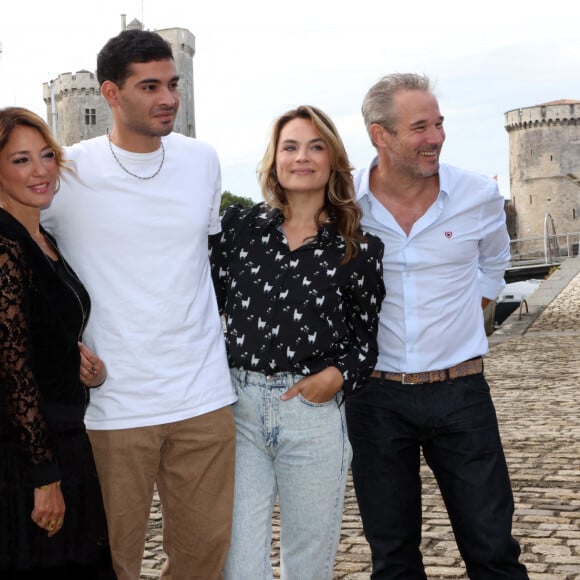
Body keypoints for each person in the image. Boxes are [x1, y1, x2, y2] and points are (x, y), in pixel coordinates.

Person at [41, 29, 237, 580]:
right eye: (149, 86)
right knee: (111, 563)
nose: (168, 98)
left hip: (204, 399)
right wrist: (60, 342)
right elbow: (23, 259)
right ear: (110, 94)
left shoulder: (202, 161)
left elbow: (205, 257)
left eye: (172, 84)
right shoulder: (66, 172)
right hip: (111, 409)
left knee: (202, 562)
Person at [345, 73, 529, 579]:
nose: (436, 137)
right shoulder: (340, 201)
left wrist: (473, 315)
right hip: (374, 400)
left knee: (492, 548)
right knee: (394, 557)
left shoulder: (477, 195)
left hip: (461, 392)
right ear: (380, 135)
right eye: (420, 127)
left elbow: (494, 264)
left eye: (439, 124)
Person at [210, 105, 385, 579]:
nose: (301, 157)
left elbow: (365, 343)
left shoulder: (358, 249)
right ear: (275, 159)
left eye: (315, 146)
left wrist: (334, 376)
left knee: (307, 566)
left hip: (311, 413)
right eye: (290, 146)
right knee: (240, 565)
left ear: (332, 160)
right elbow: (198, 306)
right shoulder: (238, 230)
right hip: (239, 409)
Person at [0, 107, 115, 579]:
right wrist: (45, 478)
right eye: (22, 160)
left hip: (64, 441)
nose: (41, 170)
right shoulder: (5, 246)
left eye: (47, 155)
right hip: (26, 457)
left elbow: (43, 335)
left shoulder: (42, 237)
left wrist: (85, 365)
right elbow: (12, 370)